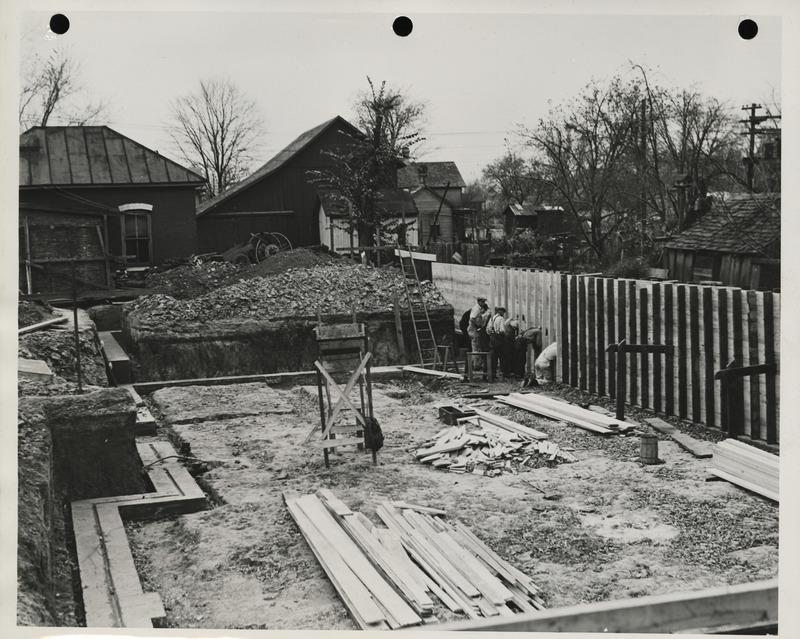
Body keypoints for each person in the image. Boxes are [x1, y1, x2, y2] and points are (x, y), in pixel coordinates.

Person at [467, 295, 490, 371]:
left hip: (473, 330)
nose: (483, 303)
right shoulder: (476, 309)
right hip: (474, 330)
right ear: (479, 301)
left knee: (476, 347)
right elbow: (472, 319)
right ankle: (476, 365)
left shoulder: (478, 309)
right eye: (482, 302)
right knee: (476, 347)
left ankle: (476, 364)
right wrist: (479, 325)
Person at [486, 306, 507, 379]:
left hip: (492, 339)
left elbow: (487, 330)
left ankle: (493, 374)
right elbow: (502, 330)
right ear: (501, 312)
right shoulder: (501, 318)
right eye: (503, 312)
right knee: (502, 356)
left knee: (493, 357)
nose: (504, 314)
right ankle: (504, 373)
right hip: (499, 339)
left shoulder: (492, 318)